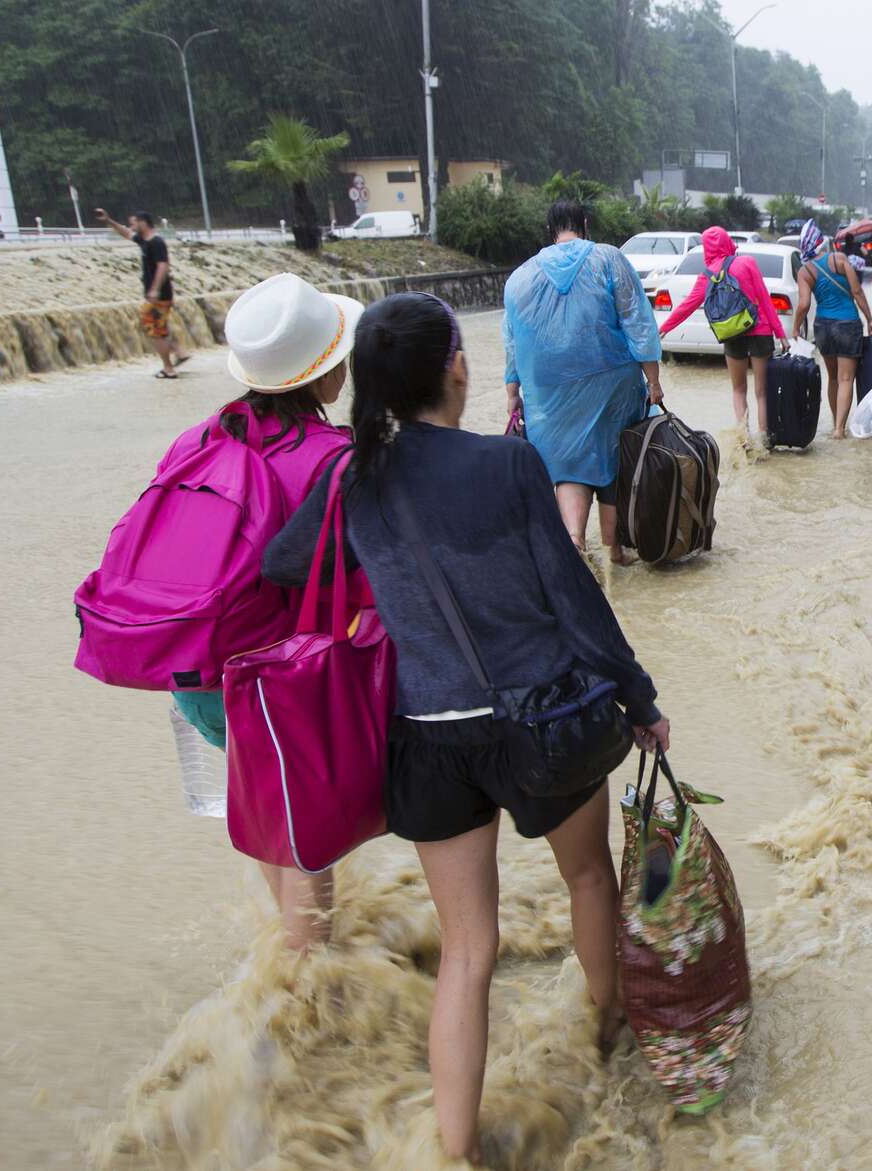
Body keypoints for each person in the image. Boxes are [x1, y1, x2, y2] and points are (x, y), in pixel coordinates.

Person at [263, 292, 670, 1165]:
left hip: (428, 740)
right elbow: (574, 598)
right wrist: (638, 698)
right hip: (542, 728)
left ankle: (456, 1148)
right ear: (456, 365)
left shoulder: (348, 476)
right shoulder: (508, 464)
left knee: (467, 951)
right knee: (590, 878)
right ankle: (603, 1033)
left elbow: (282, 565)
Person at [163, 272, 365, 950]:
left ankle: (293, 952)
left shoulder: (198, 440)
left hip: (194, 680)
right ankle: (313, 997)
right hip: (280, 686)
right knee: (309, 840)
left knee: (268, 818)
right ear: (326, 374)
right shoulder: (333, 459)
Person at [502, 199, 664, 562]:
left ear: (549, 230)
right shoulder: (608, 259)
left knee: (568, 464)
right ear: (585, 223)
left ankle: (575, 543)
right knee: (611, 456)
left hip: (546, 391)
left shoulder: (521, 277)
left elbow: (512, 343)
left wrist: (513, 393)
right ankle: (614, 551)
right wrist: (653, 379)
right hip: (612, 381)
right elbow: (637, 321)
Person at [658, 226, 787, 451]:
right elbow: (765, 300)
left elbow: (688, 306)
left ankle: (744, 439)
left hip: (731, 332)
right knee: (762, 391)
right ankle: (765, 441)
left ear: (707, 248)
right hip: (760, 330)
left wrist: (664, 328)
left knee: (738, 390)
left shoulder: (706, 275)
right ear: (728, 242)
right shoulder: (747, 263)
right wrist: (781, 334)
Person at [792, 224, 872, 440]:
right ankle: (840, 429)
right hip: (848, 324)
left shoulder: (805, 271)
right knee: (846, 378)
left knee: (832, 377)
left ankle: (834, 424)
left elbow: (803, 304)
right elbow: (857, 292)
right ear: (821, 242)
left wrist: (795, 328)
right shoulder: (839, 259)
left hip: (823, 327)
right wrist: (869, 319)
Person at [97, 207, 191, 379]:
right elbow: (126, 233)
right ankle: (178, 351)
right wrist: (108, 221)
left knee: (155, 331)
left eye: (133, 223)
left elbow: (163, 265)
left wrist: (155, 289)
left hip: (159, 295)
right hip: (157, 295)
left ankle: (169, 368)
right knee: (156, 328)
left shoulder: (156, 242)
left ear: (142, 223)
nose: (131, 226)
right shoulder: (144, 241)